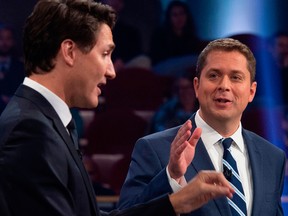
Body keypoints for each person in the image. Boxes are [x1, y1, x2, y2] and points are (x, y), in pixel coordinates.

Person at [0, 1, 234, 216]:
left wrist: (174, 189)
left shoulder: (42, 121)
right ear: (69, 52)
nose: (111, 71)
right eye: (105, 54)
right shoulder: (31, 130)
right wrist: (175, 203)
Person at [118, 38, 286, 215]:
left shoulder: (272, 158)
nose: (224, 86)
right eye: (214, 75)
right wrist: (172, 177)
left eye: (236, 77)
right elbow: (127, 213)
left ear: (251, 92)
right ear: (197, 86)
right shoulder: (155, 149)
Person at [149, 0, 202, 69]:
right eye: (175, 15)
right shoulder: (160, 35)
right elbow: (158, 58)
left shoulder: (191, 37)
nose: (179, 18)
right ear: (169, 17)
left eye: (181, 14)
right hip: (163, 67)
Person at [0, 23, 25, 114]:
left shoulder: (20, 65)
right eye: (1, 38)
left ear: (13, 41)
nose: (4, 42)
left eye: (8, 38)